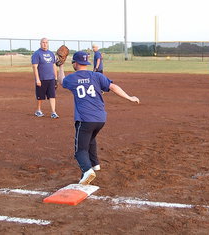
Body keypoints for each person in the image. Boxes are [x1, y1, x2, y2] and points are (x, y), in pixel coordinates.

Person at [57, 51, 140, 185]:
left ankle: (87, 170)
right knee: (91, 138)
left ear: (75, 63)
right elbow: (113, 87)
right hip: (100, 119)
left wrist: (60, 67)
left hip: (84, 120)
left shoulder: (72, 78)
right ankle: (95, 164)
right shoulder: (96, 76)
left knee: (80, 151)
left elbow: (61, 81)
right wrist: (130, 97)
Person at [31, 38, 59, 119]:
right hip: (42, 78)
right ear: (40, 43)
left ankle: (53, 112)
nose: (45, 44)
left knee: (52, 95)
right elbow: (35, 67)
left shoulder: (51, 53)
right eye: (43, 42)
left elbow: (54, 65)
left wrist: (56, 77)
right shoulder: (37, 53)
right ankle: (38, 110)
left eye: (46, 42)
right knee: (40, 96)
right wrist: (37, 79)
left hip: (51, 78)